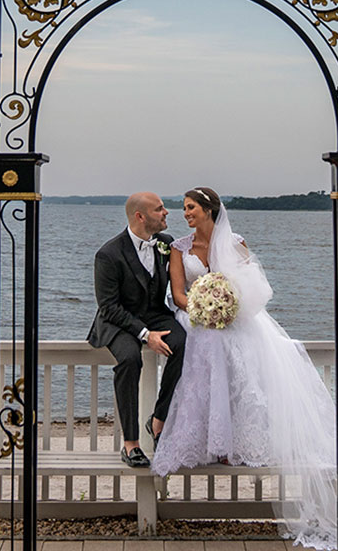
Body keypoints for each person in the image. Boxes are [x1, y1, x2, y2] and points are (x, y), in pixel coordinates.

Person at [151, 187, 338, 549]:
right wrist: (202, 310)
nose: (185, 213)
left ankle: (236, 440)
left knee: (235, 348)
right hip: (196, 317)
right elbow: (178, 295)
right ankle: (207, 440)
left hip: (233, 316)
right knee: (206, 341)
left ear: (208, 210)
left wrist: (225, 308)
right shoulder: (178, 248)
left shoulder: (235, 242)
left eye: (190, 208)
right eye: (183, 209)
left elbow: (251, 286)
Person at [87, 191, 187, 468]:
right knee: (131, 358)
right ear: (140, 216)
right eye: (160, 209)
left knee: (183, 342)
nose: (166, 212)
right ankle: (130, 444)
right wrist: (145, 335)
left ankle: (158, 420)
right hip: (118, 320)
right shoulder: (108, 254)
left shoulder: (165, 243)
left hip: (155, 314)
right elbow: (108, 307)